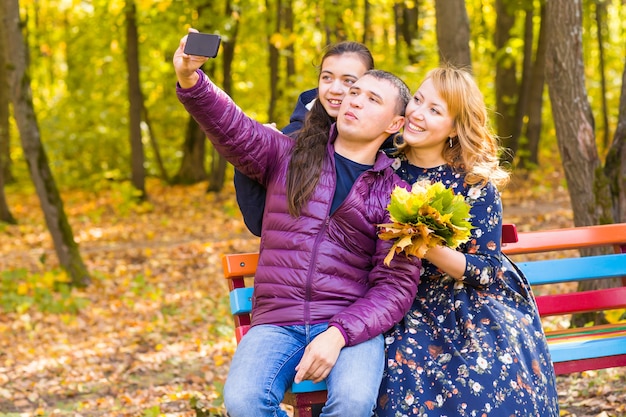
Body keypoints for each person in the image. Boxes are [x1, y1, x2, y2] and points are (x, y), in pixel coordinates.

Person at [174, 30, 421, 417]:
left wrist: (339, 334)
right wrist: (191, 79)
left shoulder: (399, 196)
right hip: (278, 319)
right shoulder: (286, 154)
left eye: (371, 98)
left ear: (396, 124)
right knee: (243, 400)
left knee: (353, 404)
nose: (354, 100)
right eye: (355, 94)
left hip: (349, 323)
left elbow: (395, 287)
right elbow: (232, 125)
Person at [375, 66, 560, 416]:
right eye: (417, 100)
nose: (417, 113)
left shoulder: (474, 185)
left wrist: (427, 246)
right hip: (400, 297)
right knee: (403, 372)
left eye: (435, 110)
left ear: (454, 128)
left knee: (485, 373)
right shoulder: (383, 169)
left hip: (466, 302)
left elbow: (488, 271)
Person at [234, 41, 375, 237]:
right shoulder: (293, 139)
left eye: (348, 81)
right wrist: (252, 156)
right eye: (327, 78)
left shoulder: (383, 144)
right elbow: (259, 223)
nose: (335, 89)